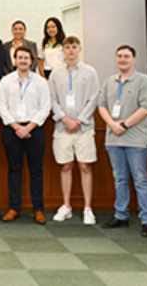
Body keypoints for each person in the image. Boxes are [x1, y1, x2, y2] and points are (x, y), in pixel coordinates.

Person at [98, 45, 147, 237]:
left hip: (136, 138)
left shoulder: (144, 80)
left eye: (126, 56)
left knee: (140, 179)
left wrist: (123, 125)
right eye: (119, 56)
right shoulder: (109, 81)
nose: (122, 59)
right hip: (114, 138)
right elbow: (102, 106)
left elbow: (146, 107)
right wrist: (112, 125)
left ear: (134, 59)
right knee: (119, 178)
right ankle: (121, 215)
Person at [49, 36, 100, 225]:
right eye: (67, 47)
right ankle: (66, 206)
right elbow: (52, 99)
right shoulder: (56, 73)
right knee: (66, 166)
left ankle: (87, 208)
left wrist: (78, 121)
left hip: (84, 128)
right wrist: (65, 119)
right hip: (62, 128)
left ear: (80, 49)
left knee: (85, 166)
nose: (70, 50)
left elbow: (93, 98)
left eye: (74, 47)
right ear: (62, 50)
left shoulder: (90, 72)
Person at [0, 46, 50, 224]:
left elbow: (45, 107)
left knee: (36, 171)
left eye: (26, 58)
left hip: (35, 130)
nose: (23, 61)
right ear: (15, 60)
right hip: (12, 130)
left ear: (32, 60)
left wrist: (28, 127)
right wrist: (17, 127)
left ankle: (38, 209)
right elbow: (2, 107)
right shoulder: (6, 81)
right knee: (14, 170)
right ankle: (14, 208)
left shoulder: (41, 82)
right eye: (20, 58)